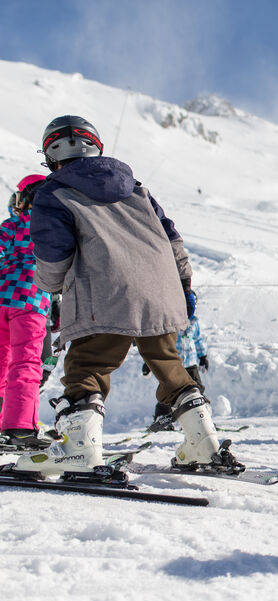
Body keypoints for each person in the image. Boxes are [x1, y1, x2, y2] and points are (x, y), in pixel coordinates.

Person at [13, 115, 239, 477]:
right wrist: (182, 290)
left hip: (101, 292)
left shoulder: (52, 193)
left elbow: (54, 256)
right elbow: (173, 242)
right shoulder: (137, 189)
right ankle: (204, 444)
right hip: (160, 291)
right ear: (96, 147)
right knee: (169, 364)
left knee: (88, 365)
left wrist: (52, 287)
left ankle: (77, 450)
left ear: (51, 156)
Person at [0, 175, 53, 450]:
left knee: (1, 363)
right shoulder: (50, 230)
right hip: (31, 302)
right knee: (25, 363)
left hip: (1, 299)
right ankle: (19, 428)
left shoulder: (9, 227)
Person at [142, 310, 210, 430]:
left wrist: (202, 356)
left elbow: (197, 339)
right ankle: (162, 416)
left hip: (191, 362)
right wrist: (148, 363)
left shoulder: (194, 321)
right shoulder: (171, 319)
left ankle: (202, 418)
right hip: (174, 363)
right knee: (170, 388)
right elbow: (161, 344)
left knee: (197, 389)